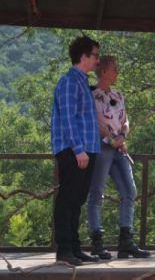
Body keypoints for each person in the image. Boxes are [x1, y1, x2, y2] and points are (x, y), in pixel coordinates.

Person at [86, 56, 150, 260]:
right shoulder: (90, 95)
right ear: (103, 72)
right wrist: (109, 138)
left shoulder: (118, 95)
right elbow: (93, 121)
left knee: (129, 191)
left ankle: (126, 242)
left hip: (119, 149)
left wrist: (123, 135)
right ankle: (97, 242)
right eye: (114, 69)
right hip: (101, 148)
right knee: (97, 192)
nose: (117, 72)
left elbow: (125, 119)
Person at [50, 36, 102, 265]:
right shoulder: (70, 82)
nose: (97, 61)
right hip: (74, 150)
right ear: (84, 56)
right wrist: (79, 149)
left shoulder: (82, 81)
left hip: (86, 150)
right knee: (67, 200)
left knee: (77, 200)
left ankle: (75, 248)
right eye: (95, 56)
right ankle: (64, 250)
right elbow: (68, 119)